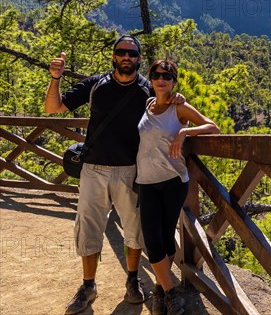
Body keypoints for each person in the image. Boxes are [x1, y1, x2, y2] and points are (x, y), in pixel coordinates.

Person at [45, 35, 182, 315]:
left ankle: (133, 281)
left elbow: (170, 109)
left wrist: (179, 102)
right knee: (89, 228)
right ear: (113, 56)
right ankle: (88, 286)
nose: (126, 57)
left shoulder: (148, 89)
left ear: (139, 59)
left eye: (132, 53)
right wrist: (55, 78)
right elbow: (53, 108)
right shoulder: (95, 85)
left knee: (134, 231)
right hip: (93, 169)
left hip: (131, 171)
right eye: (121, 52)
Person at [136, 59, 219, 315]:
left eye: (167, 76)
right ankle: (171, 292)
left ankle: (161, 291)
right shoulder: (148, 105)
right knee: (153, 240)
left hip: (173, 182)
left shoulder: (179, 108)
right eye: (157, 75)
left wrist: (185, 133)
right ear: (150, 79)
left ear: (174, 81)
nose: (161, 79)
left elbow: (212, 127)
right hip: (146, 182)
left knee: (164, 237)